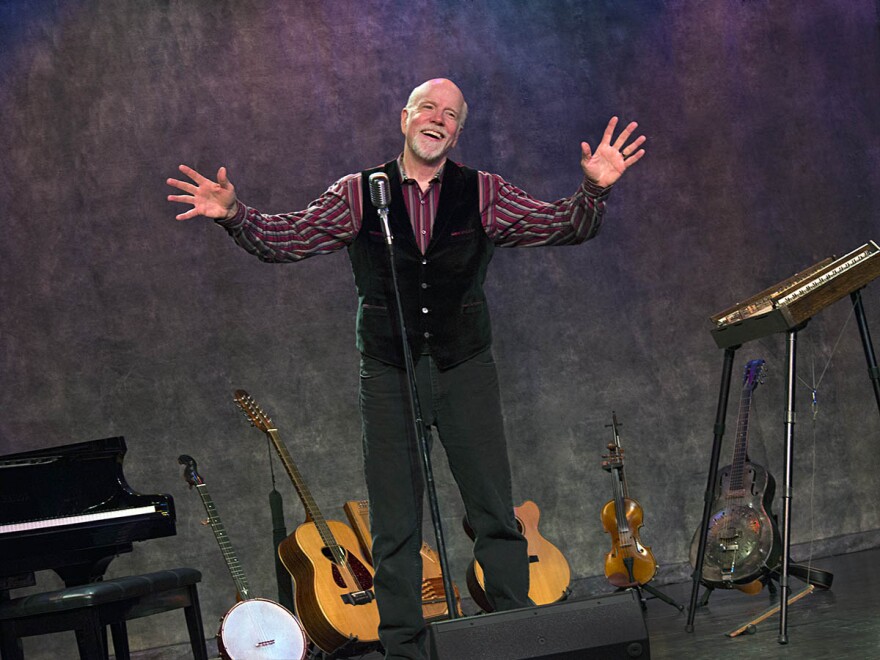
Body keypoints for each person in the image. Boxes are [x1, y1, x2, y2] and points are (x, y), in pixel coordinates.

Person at [167, 77, 645, 660]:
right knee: (394, 525)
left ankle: (516, 638)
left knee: (495, 512)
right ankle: (405, 651)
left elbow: (562, 224)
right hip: (388, 374)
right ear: (405, 118)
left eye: (450, 113)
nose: (437, 118)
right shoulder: (358, 193)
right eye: (427, 108)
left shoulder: (483, 191)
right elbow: (284, 239)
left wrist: (593, 191)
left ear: (458, 130)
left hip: (463, 366)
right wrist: (234, 214)